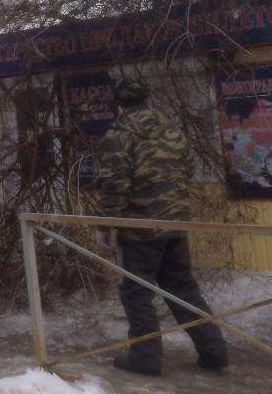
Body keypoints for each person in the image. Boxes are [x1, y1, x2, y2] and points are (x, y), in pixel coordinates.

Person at [97, 77, 228, 376]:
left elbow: (117, 186)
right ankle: (214, 351)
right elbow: (188, 170)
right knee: (182, 288)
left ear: (119, 103)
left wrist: (104, 226)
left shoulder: (119, 134)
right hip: (175, 222)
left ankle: (145, 356)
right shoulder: (172, 130)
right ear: (146, 97)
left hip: (140, 228)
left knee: (136, 291)